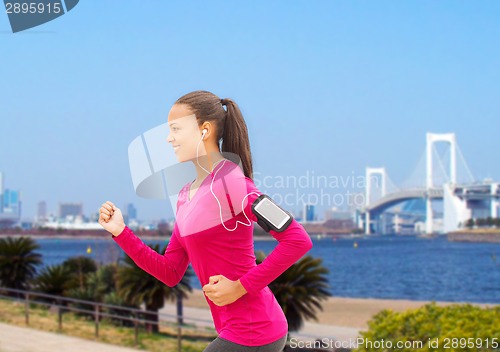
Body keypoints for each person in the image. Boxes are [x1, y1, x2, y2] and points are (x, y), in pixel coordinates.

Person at [99, 90, 313, 352]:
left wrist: (240, 287)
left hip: (255, 330)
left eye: (176, 129)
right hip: (234, 330)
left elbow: (297, 240)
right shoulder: (185, 196)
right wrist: (121, 232)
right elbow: (170, 272)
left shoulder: (234, 186)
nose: (169, 138)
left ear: (204, 130)